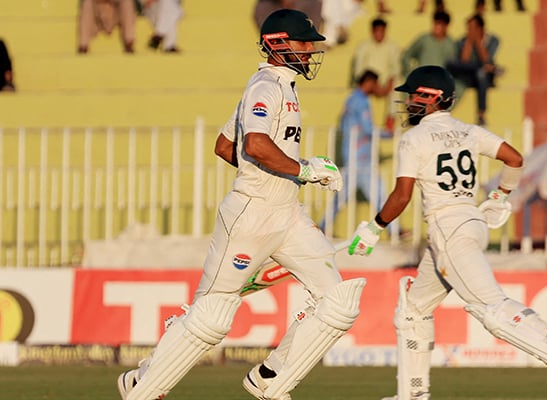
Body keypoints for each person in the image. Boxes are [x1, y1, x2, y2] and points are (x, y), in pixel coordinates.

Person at [116, 9, 366, 400]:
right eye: (304, 43)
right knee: (212, 317)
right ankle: (141, 387)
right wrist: (304, 169)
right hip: (252, 214)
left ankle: (270, 376)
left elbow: (224, 146)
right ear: (278, 43)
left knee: (338, 303)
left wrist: (283, 170)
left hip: (288, 214)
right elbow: (253, 145)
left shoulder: (282, 86)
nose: (310, 50)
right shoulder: (265, 86)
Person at [347, 65, 547, 399]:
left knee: (489, 308)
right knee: (413, 309)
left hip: (448, 231)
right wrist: (501, 196)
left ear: (433, 98)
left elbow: (402, 195)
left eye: (415, 95)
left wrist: (373, 228)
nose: (408, 102)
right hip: (469, 222)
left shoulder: (413, 139)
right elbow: (515, 159)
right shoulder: (468, 131)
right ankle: (412, 394)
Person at [323, 70, 390, 232]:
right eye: (375, 83)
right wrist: (388, 133)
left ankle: (321, 226)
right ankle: (321, 227)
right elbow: (368, 129)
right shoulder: (361, 101)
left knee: (346, 197)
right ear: (368, 82)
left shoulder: (352, 99)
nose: (377, 87)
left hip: (356, 156)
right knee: (378, 196)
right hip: (359, 158)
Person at [446, 13, 500, 126]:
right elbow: (464, 60)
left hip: (485, 77)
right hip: (470, 73)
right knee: (453, 64)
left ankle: (481, 114)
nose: (469, 31)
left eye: (473, 28)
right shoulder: (462, 41)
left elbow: (487, 59)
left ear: (481, 28)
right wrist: (470, 42)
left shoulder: (493, 40)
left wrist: (477, 42)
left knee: (481, 72)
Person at [351, 17, 402, 129]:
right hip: (368, 81)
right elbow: (359, 70)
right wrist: (372, 84)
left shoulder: (392, 47)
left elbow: (395, 69)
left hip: (385, 82)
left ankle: (391, 119)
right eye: (377, 31)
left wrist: (387, 85)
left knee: (396, 86)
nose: (379, 34)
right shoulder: (363, 46)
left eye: (382, 31)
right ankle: (362, 119)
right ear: (372, 31)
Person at [401, 11, 456, 78]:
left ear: (446, 26)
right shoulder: (424, 39)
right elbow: (407, 55)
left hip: (441, 82)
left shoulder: (451, 44)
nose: (436, 27)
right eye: (435, 23)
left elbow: (453, 67)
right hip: (422, 79)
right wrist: (410, 72)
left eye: (439, 24)